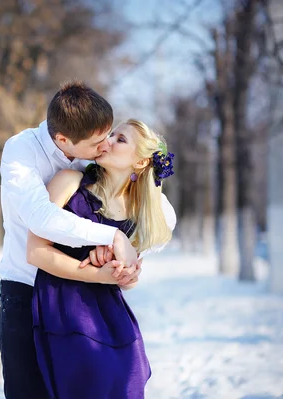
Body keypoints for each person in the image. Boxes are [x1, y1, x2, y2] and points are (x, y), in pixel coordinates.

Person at [0, 81, 143, 399]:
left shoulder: (92, 155)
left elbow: (150, 208)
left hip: (79, 294)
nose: (105, 147)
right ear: (63, 140)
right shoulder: (22, 152)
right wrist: (112, 236)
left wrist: (128, 258)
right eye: (97, 143)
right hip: (25, 285)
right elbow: (42, 220)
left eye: (109, 136)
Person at [27, 119, 177, 399]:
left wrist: (124, 274)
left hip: (111, 315)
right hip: (65, 308)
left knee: (128, 381)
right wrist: (100, 273)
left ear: (141, 162)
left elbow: (127, 279)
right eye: (111, 134)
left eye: (120, 139)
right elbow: (35, 251)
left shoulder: (136, 211)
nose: (107, 141)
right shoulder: (70, 183)